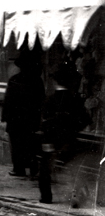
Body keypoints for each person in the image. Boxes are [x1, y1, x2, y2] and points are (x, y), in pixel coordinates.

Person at [38, 65, 89, 204]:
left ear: (55, 82)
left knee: (45, 171)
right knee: (71, 169)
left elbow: (44, 123)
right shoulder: (75, 100)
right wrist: (73, 129)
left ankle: (46, 197)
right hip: (69, 139)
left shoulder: (50, 100)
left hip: (51, 140)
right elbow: (85, 120)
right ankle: (76, 197)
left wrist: (46, 140)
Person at [1, 52, 44, 177]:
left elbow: (8, 101)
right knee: (32, 144)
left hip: (15, 120)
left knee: (16, 146)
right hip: (31, 120)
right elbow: (41, 101)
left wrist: (5, 118)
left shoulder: (15, 80)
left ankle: (18, 168)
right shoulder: (37, 81)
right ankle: (33, 168)